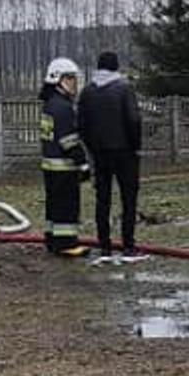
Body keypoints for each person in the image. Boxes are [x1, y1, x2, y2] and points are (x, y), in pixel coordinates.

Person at [77, 51, 145, 265]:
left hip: (99, 153)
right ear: (116, 67)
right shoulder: (124, 89)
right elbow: (133, 119)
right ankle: (128, 246)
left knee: (102, 200)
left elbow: (81, 124)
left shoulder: (88, 91)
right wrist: (136, 146)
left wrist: (92, 147)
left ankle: (104, 246)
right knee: (128, 199)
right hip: (124, 152)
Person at [38, 58, 90, 257]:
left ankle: (53, 239)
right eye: (70, 78)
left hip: (50, 166)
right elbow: (68, 140)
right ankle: (66, 243)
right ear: (57, 79)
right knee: (66, 207)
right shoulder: (62, 107)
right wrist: (82, 163)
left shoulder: (50, 104)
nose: (74, 83)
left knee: (54, 205)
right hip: (63, 167)